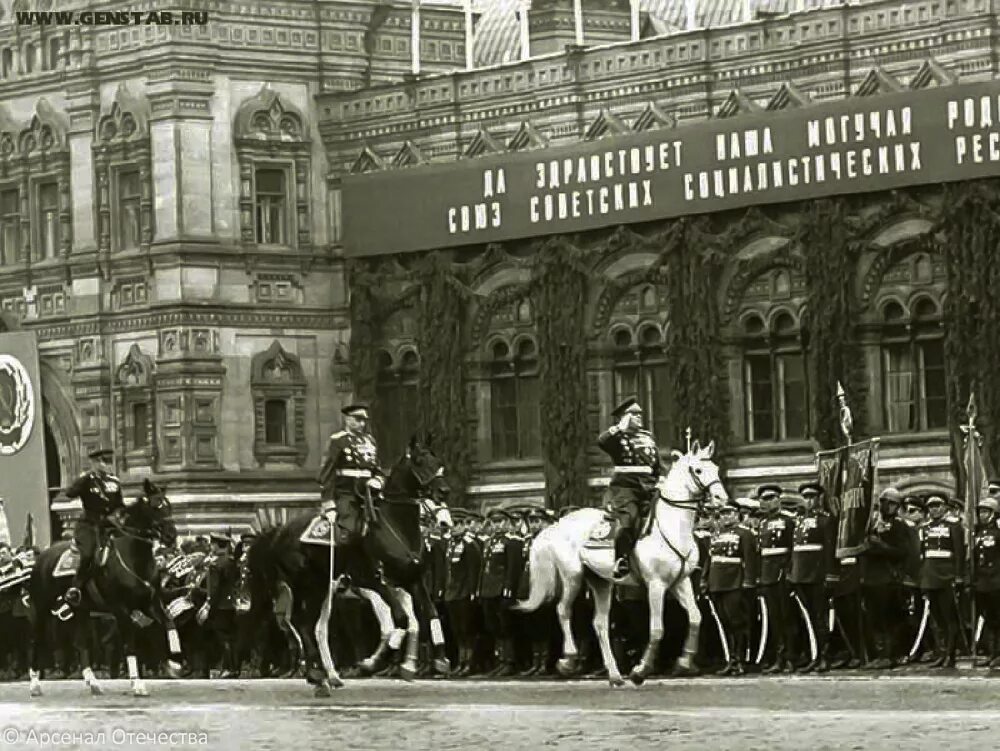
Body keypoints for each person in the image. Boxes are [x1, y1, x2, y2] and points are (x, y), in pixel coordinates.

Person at [597, 397, 663, 579]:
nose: (639, 417)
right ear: (624, 417)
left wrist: (661, 478)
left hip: (649, 486)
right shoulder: (616, 438)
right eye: (634, 414)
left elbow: (657, 463)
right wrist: (619, 427)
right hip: (626, 488)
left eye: (640, 413)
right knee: (629, 520)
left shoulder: (648, 436)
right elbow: (602, 441)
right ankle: (621, 559)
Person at [60, 447, 126, 610]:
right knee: (89, 554)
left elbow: (119, 505)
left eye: (108, 462)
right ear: (95, 463)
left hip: (109, 525)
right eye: (102, 462)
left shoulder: (114, 482)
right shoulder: (87, 480)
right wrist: (83, 480)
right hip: (88, 525)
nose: (106, 465)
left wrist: (119, 517)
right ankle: (76, 588)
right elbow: (69, 493)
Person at [317, 403, 385, 545]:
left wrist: (378, 480)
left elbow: (377, 468)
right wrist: (328, 504)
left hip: (369, 496)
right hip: (346, 495)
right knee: (348, 530)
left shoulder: (370, 441)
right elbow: (327, 473)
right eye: (358, 419)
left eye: (363, 420)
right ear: (347, 419)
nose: (361, 424)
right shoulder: (338, 441)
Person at [788, 482, 836, 673]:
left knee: (819, 618)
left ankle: (823, 656)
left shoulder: (826, 520)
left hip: (817, 575)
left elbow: (829, 549)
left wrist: (830, 575)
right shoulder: (799, 520)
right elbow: (795, 550)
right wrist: (792, 573)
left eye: (812, 497)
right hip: (800, 575)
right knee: (806, 619)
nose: (809, 501)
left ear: (819, 498)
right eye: (806, 497)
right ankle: (812, 655)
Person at [705, 503, 758, 676]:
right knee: (725, 623)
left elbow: (750, 559)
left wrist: (749, 581)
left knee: (738, 622)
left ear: (737, 515)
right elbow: (710, 559)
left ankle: (740, 660)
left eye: (729, 513)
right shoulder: (717, 534)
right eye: (723, 514)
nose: (726, 517)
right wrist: (705, 581)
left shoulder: (745, 534)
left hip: (734, 582)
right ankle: (731, 659)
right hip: (716, 583)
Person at [860, 488, 909, 669]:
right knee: (873, 619)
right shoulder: (870, 524)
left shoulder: (899, 525)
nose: (888, 506)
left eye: (893, 503)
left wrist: (881, 545)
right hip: (870, 577)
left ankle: (889, 655)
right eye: (885, 502)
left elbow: (902, 552)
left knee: (887, 619)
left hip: (888, 577)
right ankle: (878, 654)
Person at [918, 494, 966, 668]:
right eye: (931, 506)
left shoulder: (953, 525)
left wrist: (959, 576)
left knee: (949, 617)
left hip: (947, 576)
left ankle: (950, 654)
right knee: (936, 618)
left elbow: (960, 552)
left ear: (945, 507)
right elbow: (922, 554)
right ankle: (941, 652)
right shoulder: (925, 527)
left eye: (938, 505)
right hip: (930, 577)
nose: (934, 509)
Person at [755, 484, 794, 673]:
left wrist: (789, 571)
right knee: (774, 618)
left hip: (782, 574)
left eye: (771, 498)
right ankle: (778, 657)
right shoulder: (761, 524)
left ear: (779, 499)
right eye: (764, 499)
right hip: (767, 575)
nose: (768, 502)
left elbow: (793, 548)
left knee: (788, 617)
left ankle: (790, 658)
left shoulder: (788, 521)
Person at [971, 497, 1000, 668]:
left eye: (985, 512)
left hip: (996, 580)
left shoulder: (998, 533)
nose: (982, 515)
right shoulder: (979, 533)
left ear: (993, 514)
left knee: (998, 618)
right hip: (982, 581)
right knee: (988, 618)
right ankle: (992, 652)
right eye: (980, 512)